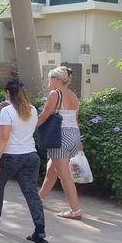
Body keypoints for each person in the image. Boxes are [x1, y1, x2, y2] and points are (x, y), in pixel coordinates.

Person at [0, 80, 48, 243]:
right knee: (31, 193)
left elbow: (4, 137)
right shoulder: (32, 109)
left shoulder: (7, 112)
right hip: (31, 155)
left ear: (8, 93)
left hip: (10, 156)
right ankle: (40, 230)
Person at [37, 66, 83, 219]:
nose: (48, 82)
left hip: (59, 137)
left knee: (65, 176)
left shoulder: (55, 94)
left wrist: (28, 128)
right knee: (52, 170)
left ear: (56, 79)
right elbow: (76, 120)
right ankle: (38, 199)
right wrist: (79, 142)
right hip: (73, 135)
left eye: (50, 78)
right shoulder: (73, 96)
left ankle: (75, 210)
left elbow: (44, 116)